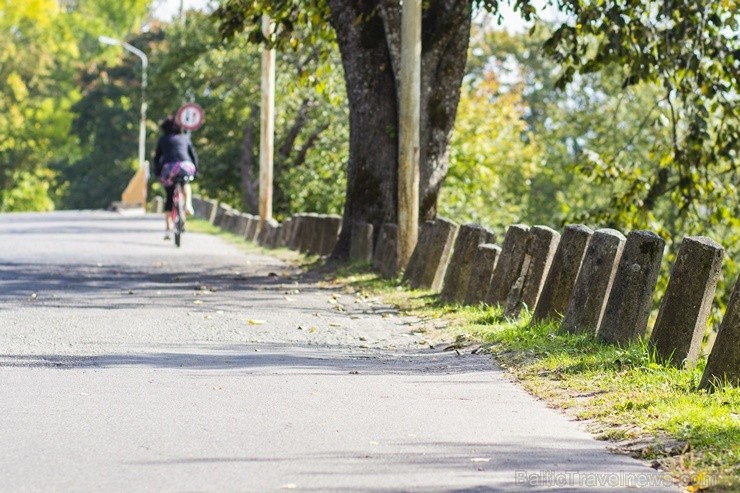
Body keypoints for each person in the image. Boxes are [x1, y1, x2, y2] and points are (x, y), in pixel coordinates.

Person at [153, 115, 198, 239]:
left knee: (169, 197)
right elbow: (193, 156)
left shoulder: (163, 140)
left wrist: (157, 172)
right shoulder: (185, 138)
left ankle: (168, 230)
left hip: (169, 169)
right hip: (185, 166)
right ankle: (188, 204)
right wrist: (196, 170)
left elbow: (157, 158)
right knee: (186, 183)